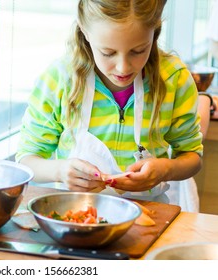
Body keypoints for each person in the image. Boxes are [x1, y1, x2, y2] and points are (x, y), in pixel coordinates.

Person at [16, 0, 203, 212]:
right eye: (107, 53)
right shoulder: (59, 79)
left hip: (150, 215)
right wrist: (60, 170)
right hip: (75, 215)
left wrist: (166, 169)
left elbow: (192, 157)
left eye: (138, 50)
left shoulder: (174, 79)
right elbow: (27, 159)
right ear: (85, 31)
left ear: (155, 31)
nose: (123, 67)